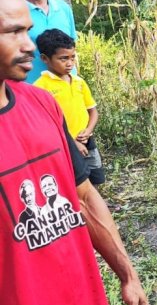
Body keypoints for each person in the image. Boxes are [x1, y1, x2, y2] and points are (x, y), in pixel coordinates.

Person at [0, 0, 147, 305]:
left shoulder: (42, 105)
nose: (29, 45)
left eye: (27, 31)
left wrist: (127, 273)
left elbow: (83, 197)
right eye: (12, 33)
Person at [34, 28, 106, 186]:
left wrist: (88, 131)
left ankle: (96, 207)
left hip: (87, 140)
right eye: (63, 58)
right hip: (64, 146)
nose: (70, 63)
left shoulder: (78, 81)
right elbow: (47, 126)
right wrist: (73, 143)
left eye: (73, 57)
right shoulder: (40, 88)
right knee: (75, 182)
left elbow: (92, 110)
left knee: (95, 178)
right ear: (45, 59)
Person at [14, 0, 77, 83]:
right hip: (28, 95)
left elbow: (72, 52)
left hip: (68, 95)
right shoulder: (9, 10)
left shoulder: (62, 9)